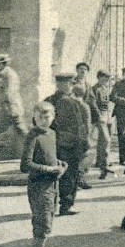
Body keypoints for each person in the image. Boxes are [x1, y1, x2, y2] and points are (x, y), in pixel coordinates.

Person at [20, 101, 68, 247]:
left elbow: (50, 158)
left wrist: (60, 165)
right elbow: (25, 165)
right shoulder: (33, 135)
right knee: (41, 231)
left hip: (51, 187)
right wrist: (50, 169)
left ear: (53, 116)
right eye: (40, 116)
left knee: (46, 230)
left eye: (47, 115)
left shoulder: (52, 134)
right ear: (34, 117)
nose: (44, 119)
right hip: (39, 188)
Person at [45, 73, 89, 216]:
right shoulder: (70, 102)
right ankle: (67, 205)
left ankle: (49, 206)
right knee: (70, 175)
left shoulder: (49, 100)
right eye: (70, 83)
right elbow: (77, 126)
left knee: (53, 175)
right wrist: (83, 144)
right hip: (69, 144)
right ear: (69, 84)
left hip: (53, 143)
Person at [0, 53, 25, 162]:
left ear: (3, 64)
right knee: (18, 130)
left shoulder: (10, 75)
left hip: (12, 107)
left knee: (19, 131)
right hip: (5, 107)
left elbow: (9, 94)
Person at [73, 62, 101, 188]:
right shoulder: (72, 83)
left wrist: (98, 116)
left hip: (87, 120)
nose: (83, 71)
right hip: (75, 119)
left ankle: (81, 175)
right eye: (81, 69)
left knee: (87, 148)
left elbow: (93, 102)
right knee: (78, 149)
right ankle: (77, 178)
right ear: (77, 70)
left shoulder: (88, 85)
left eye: (85, 69)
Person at [91, 70, 115, 179]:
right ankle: (104, 164)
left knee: (104, 139)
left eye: (107, 79)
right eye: (104, 78)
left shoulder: (105, 89)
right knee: (106, 140)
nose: (106, 80)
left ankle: (100, 162)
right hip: (100, 115)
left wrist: (109, 116)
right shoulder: (95, 89)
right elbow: (94, 104)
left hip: (107, 114)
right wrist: (99, 116)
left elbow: (108, 103)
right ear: (98, 78)